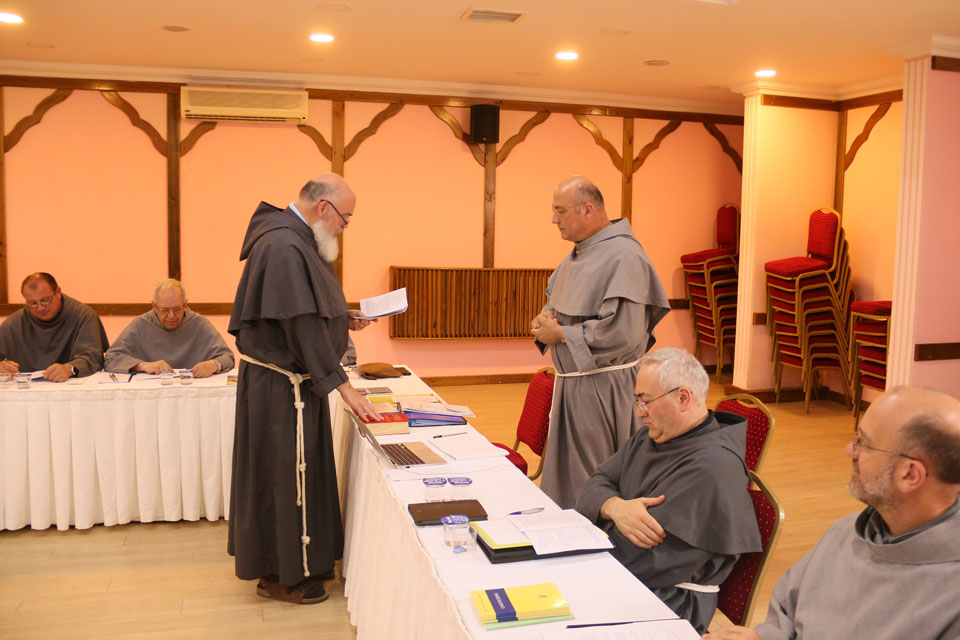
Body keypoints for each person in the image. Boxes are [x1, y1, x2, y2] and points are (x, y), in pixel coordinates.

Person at [227, 173, 381, 606]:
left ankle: (307, 559)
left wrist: (340, 317)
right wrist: (345, 387)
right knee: (281, 477)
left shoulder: (296, 238)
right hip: (280, 389)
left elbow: (305, 311)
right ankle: (279, 575)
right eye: (345, 219)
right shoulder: (283, 244)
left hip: (294, 384)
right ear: (323, 207)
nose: (344, 228)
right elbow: (299, 324)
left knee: (299, 472)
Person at [703, 386, 960, 640]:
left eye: (864, 444)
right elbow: (786, 616)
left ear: (910, 474)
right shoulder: (845, 531)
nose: (850, 450)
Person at [575, 348, 761, 633]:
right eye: (638, 401)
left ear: (683, 398)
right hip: (627, 575)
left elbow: (642, 557)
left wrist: (598, 514)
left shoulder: (713, 466)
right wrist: (615, 507)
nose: (639, 413)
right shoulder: (653, 435)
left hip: (668, 602)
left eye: (645, 401)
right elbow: (594, 482)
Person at [531, 176, 670, 508]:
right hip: (575, 385)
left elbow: (624, 334)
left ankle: (594, 532)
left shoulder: (624, 256)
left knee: (593, 478)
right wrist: (546, 317)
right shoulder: (582, 251)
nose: (553, 219)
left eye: (559, 210)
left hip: (603, 389)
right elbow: (558, 297)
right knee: (569, 476)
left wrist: (561, 334)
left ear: (587, 210)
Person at [104, 278, 234, 377]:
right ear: (154, 306)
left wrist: (214, 365)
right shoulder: (141, 324)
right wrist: (142, 366)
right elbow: (110, 359)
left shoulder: (199, 323)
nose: (171, 316)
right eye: (165, 310)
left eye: (177, 309)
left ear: (185, 304)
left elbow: (227, 357)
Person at [0, 272, 107, 381]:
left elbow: (93, 358)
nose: (40, 308)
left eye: (45, 300)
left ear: (58, 292)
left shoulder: (83, 316)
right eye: (32, 303)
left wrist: (69, 368)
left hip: (70, 387)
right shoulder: (13, 324)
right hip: (26, 388)